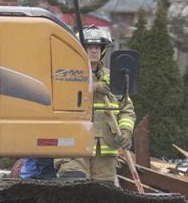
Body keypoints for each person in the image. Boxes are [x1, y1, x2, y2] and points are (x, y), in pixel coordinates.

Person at [55, 26, 135, 185]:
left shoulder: (113, 78)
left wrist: (125, 133)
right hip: (73, 148)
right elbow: (60, 98)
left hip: (104, 152)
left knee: (102, 199)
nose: (94, 51)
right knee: (71, 192)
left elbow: (127, 110)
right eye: (89, 47)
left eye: (97, 47)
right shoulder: (65, 74)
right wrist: (91, 88)